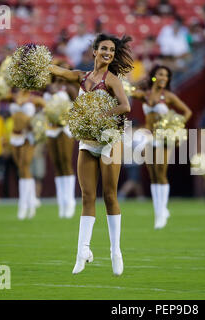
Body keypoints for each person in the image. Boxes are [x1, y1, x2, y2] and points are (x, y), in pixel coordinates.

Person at [48, 33, 133, 276]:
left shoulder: (113, 80)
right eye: (104, 48)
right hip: (87, 143)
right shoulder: (81, 77)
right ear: (94, 51)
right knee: (86, 195)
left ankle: (115, 250)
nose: (108, 53)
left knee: (109, 195)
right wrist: (35, 61)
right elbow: (59, 71)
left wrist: (102, 116)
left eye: (112, 50)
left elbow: (125, 106)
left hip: (108, 142)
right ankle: (82, 251)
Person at [131, 65, 192, 229]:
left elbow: (187, 112)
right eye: (160, 74)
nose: (163, 78)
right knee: (153, 174)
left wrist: (175, 125)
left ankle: (162, 211)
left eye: (166, 75)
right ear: (154, 76)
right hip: (149, 136)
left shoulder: (169, 96)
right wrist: (137, 83)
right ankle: (158, 210)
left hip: (164, 137)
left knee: (161, 172)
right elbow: (131, 92)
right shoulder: (146, 95)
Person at [43, 81, 76, 219]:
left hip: (64, 128)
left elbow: (77, 103)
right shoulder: (47, 89)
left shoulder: (68, 88)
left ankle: (70, 201)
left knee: (65, 161)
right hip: (51, 128)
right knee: (56, 163)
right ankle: (61, 202)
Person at [9, 90, 43, 220]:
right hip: (15, 134)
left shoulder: (34, 98)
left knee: (24, 166)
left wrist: (38, 122)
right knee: (21, 169)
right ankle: (31, 201)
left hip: (28, 135)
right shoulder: (11, 95)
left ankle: (23, 205)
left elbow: (48, 108)